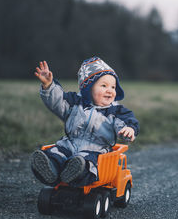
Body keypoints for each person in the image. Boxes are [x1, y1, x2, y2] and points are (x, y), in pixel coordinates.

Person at [30, 57, 139, 187]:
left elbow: (126, 121)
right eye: (104, 86)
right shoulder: (75, 103)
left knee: (86, 163)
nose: (110, 90)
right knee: (56, 152)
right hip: (69, 144)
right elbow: (57, 102)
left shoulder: (115, 111)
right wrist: (48, 85)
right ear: (88, 88)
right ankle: (49, 170)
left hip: (97, 150)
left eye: (113, 87)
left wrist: (128, 129)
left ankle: (76, 172)